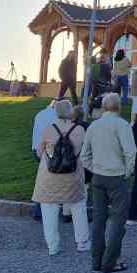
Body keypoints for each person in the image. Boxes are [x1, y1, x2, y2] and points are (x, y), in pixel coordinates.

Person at [80, 92, 136, 273]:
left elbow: (84, 156)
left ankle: (96, 261)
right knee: (118, 221)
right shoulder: (122, 125)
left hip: (98, 176)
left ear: (104, 107)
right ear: (118, 107)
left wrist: (94, 168)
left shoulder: (93, 126)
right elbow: (130, 152)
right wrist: (126, 172)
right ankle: (110, 262)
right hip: (116, 176)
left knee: (98, 220)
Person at [34, 100, 89, 254]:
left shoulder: (49, 130)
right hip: (72, 175)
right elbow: (85, 153)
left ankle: (53, 246)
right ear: (70, 111)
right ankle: (82, 243)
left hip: (49, 177)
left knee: (49, 209)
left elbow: (39, 153)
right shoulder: (79, 130)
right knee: (78, 208)